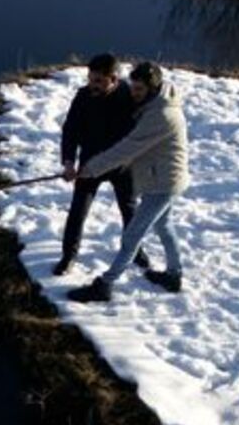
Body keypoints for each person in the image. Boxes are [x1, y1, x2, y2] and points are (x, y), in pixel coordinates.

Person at [67, 61, 189, 304]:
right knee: (164, 227)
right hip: (165, 178)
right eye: (133, 88)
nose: (134, 94)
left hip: (163, 184)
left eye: (139, 90)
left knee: (131, 237)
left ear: (154, 88)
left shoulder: (162, 115)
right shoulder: (156, 103)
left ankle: (105, 285)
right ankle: (174, 275)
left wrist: (90, 169)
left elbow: (127, 148)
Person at [52, 53, 146, 277]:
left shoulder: (129, 95)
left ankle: (136, 250)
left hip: (122, 165)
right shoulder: (83, 96)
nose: (91, 85)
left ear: (113, 79)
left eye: (98, 81)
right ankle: (69, 256)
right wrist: (68, 163)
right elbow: (71, 130)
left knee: (130, 211)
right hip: (90, 165)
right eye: (90, 79)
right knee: (78, 212)